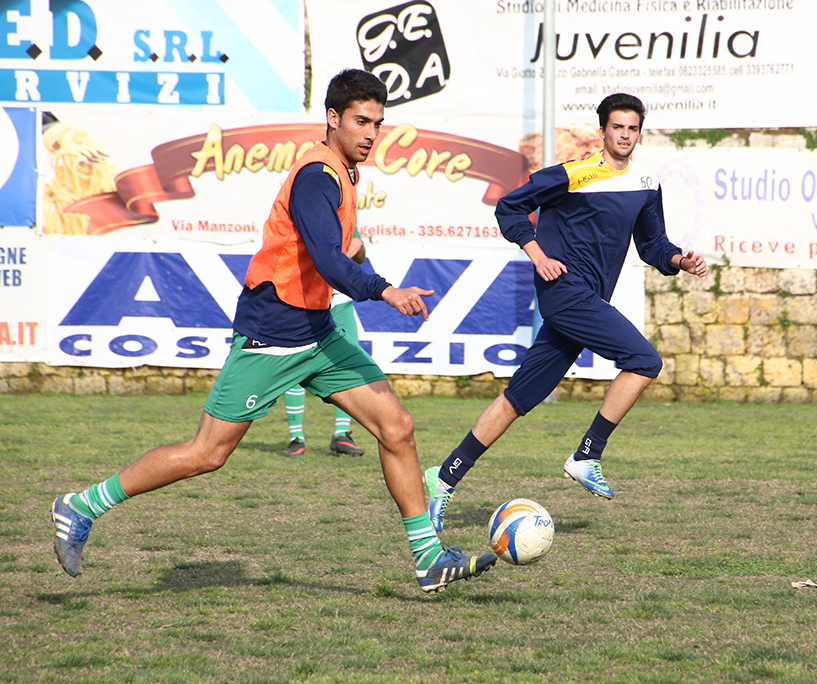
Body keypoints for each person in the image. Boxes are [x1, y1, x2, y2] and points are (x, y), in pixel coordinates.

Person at [50, 69, 497, 594]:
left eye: (378, 123)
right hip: (273, 331)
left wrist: (362, 261)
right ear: (332, 119)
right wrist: (384, 289)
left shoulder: (347, 173)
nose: (371, 133)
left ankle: (428, 560)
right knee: (207, 454)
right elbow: (331, 261)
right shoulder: (316, 176)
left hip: (319, 333)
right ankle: (80, 506)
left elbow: (343, 248)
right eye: (361, 121)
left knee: (396, 426)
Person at [425, 93, 708, 532]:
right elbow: (510, 206)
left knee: (518, 399)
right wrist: (537, 255)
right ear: (603, 131)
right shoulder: (572, 174)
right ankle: (587, 454)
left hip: (588, 301)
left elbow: (653, 244)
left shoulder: (646, 184)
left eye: (633, 128)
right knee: (645, 360)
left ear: (639, 131)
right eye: (618, 127)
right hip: (565, 294)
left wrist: (678, 261)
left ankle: (442, 478)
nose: (625, 135)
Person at [284, 229, 367, 458]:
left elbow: (359, 256)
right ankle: (296, 437)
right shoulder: (301, 207)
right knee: (295, 365)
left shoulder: (344, 209)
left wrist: (358, 246)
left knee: (350, 367)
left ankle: (341, 434)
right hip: (304, 301)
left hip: (339, 301)